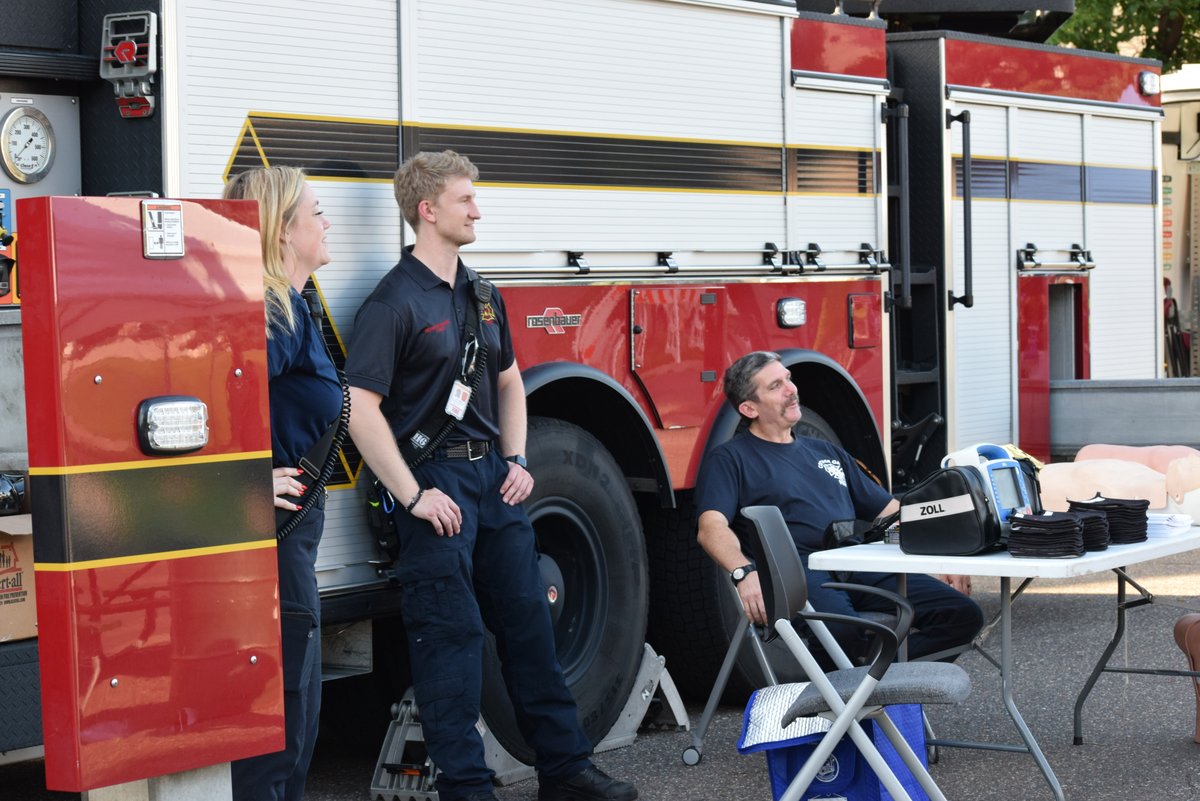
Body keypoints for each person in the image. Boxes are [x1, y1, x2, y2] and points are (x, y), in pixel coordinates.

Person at [343, 150, 637, 801]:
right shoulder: (394, 301)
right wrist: (412, 494)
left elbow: (508, 380)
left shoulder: (481, 292)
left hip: (495, 487)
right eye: (465, 199)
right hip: (437, 490)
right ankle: (467, 786)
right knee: (451, 641)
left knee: (530, 626)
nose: (478, 209)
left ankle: (566, 770)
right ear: (427, 208)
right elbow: (358, 406)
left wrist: (520, 458)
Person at [695, 350, 983, 664]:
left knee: (962, 614)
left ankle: (874, 685)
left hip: (856, 562)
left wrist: (941, 556)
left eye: (789, 380)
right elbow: (711, 528)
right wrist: (744, 573)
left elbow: (891, 512)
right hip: (800, 573)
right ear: (749, 407)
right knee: (842, 635)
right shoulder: (730, 458)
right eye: (776, 386)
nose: (791, 390)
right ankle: (856, 695)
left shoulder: (825, 451)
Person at [224, 166, 342, 801]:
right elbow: (203, 404)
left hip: (294, 539)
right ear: (285, 229)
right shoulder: (277, 316)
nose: (328, 224)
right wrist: (241, 482)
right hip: (275, 543)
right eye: (317, 212)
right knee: (280, 734)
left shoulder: (293, 307)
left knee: (298, 724)